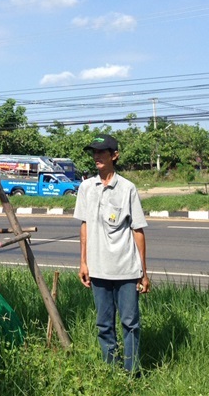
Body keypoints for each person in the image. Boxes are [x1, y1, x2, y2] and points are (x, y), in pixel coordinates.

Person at [74, 133, 150, 374]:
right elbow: (84, 226)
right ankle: (111, 371)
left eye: (102, 151)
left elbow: (138, 230)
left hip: (126, 269)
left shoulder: (127, 188)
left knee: (130, 324)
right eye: (94, 152)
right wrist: (83, 263)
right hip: (98, 269)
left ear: (114, 155)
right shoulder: (87, 187)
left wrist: (143, 272)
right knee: (104, 324)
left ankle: (131, 373)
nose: (96, 156)